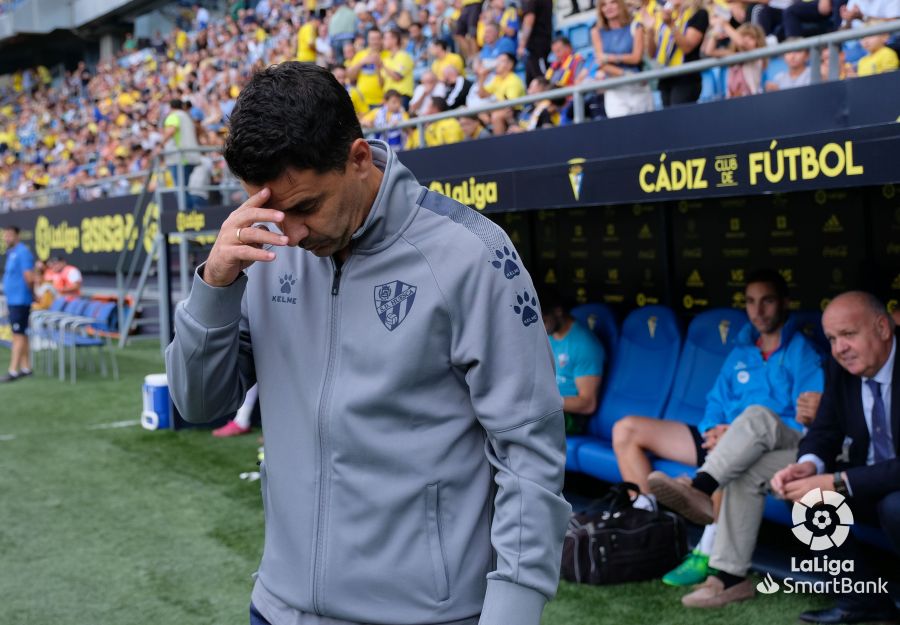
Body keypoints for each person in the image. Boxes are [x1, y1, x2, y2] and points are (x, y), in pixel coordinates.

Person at [165, 62, 569, 625]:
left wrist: (512, 613)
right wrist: (214, 287)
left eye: (306, 207)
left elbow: (530, 455)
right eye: (275, 212)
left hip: (426, 615)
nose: (293, 233)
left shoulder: (473, 255)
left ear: (359, 159)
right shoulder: (265, 247)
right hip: (276, 608)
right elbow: (198, 404)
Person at [613, 269, 824, 588]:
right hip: (721, 436)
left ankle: (706, 548)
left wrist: (735, 433)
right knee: (626, 429)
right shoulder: (741, 351)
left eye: (767, 301)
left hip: (770, 442)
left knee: (740, 451)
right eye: (751, 302)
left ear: (784, 302)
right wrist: (714, 429)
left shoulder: (802, 352)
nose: (758, 310)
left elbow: (807, 421)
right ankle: (648, 527)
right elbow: (715, 400)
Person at [772, 292, 899, 625]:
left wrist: (838, 482)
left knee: (895, 505)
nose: (839, 347)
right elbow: (824, 430)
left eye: (848, 334)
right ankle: (864, 600)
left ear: (883, 328)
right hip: (870, 480)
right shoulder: (840, 368)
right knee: (805, 496)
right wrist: (809, 465)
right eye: (831, 338)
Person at [539, 290, 605, 436]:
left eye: (543, 320)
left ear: (557, 311)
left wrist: (545, 403)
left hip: (570, 416)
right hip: (546, 407)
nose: (540, 327)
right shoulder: (547, 336)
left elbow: (588, 403)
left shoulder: (585, 344)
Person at [590, 0, 653, 118]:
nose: (608, 7)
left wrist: (610, 58)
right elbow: (601, 62)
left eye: (612, 2)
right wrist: (625, 74)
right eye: (604, 5)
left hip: (639, 87)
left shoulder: (635, 25)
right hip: (615, 89)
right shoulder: (596, 31)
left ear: (620, 4)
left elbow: (636, 58)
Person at [644, 0, 709, 107]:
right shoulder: (665, 16)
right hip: (665, 76)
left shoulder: (699, 14)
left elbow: (687, 47)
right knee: (668, 121)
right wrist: (650, 31)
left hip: (686, 78)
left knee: (680, 119)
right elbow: (652, 54)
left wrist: (670, 25)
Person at [2, 226, 35, 382]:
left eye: (9, 235)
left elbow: (29, 277)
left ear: (17, 236)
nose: (6, 238)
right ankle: (26, 367)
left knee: (18, 335)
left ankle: (13, 370)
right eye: (5, 235)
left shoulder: (22, 252)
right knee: (22, 333)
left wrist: (33, 294)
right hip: (14, 300)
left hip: (20, 301)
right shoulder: (12, 252)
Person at [518, 0, 553, 84]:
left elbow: (529, 20)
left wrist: (522, 44)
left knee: (541, 80)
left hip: (537, 46)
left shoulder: (531, 2)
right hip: (542, 41)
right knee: (532, 81)